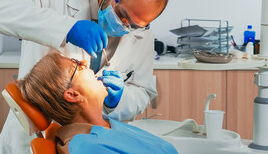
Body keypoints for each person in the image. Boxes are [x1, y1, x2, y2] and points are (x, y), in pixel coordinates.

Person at [0, 0, 170, 153]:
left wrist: (118, 101)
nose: (125, 26)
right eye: (123, 15)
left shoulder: (141, 36)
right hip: (30, 140)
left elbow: (142, 91)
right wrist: (67, 28)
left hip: (95, 136)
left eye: (135, 26)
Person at [17, 51, 178, 154]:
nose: (86, 63)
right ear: (73, 95)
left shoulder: (108, 126)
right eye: (77, 65)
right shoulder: (87, 147)